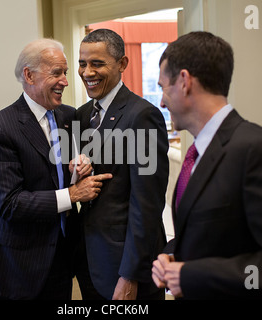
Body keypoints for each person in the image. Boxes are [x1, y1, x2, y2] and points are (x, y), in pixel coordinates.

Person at [152, 31, 262, 299]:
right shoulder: (197, 154)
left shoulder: (257, 151)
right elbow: (220, 237)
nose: (162, 102)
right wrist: (172, 256)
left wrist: (193, 275)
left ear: (185, 81)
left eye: (163, 87)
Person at [0, 38, 112, 300]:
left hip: (61, 260)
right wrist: (72, 194)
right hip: (17, 267)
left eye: (66, 73)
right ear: (29, 75)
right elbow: (9, 204)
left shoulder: (69, 116)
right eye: (56, 73)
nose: (65, 81)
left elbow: (67, 170)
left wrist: (80, 167)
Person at [75, 29, 170, 300]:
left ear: (122, 64)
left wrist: (130, 275)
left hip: (126, 266)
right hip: (89, 260)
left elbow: (147, 204)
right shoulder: (81, 116)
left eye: (97, 63)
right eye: (83, 64)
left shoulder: (143, 116)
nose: (87, 72)